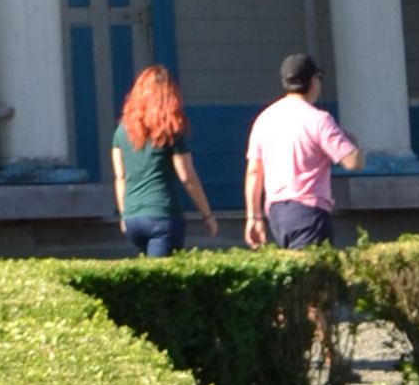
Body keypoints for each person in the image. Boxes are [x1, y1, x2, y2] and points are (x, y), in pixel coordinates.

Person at [243, 51, 359, 247]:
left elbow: (254, 172)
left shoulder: (264, 119)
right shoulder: (319, 119)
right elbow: (354, 162)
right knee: (312, 274)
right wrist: (352, 141)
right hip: (309, 212)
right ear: (314, 81)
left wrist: (253, 217)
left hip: (277, 213)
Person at [110, 63, 220, 256]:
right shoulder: (170, 131)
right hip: (163, 214)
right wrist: (207, 215)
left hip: (133, 217)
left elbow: (120, 177)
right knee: (163, 280)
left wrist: (123, 214)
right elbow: (187, 177)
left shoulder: (121, 131)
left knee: (146, 279)